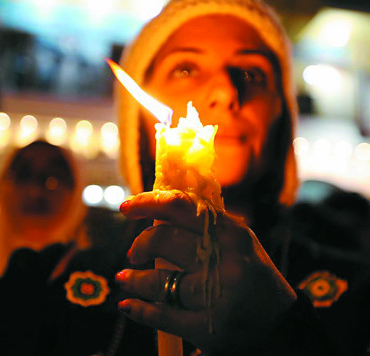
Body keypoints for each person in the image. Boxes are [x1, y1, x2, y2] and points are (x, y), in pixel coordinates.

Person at [111, 0, 340, 354]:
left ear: (281, 110)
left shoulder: (361, 297)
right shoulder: (69, 283)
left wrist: (283, 328)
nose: (227, 92)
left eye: (251, 73)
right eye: (185, 69)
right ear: (136, 124)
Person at [0, 140, 157, 355]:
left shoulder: (97, 277)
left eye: (52, 180)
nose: (34, 192)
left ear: (74, 189)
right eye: (23, 176)